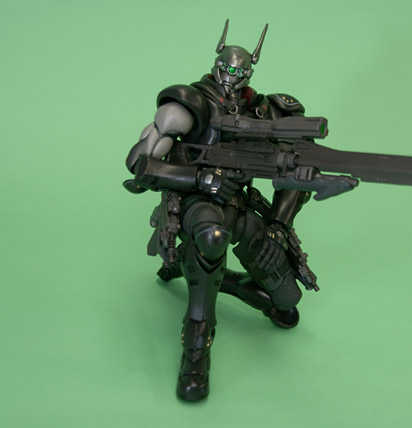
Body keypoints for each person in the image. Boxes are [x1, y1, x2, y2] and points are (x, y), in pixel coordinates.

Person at [124, 19, 314, 401]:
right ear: (216, 65)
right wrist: (199, 179)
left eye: (239, 72)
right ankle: (196, 346)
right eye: (227, 69)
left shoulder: (267, 112)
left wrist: (278, 226)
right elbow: (139, 165)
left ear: (250, 72)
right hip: (195, 201)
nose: (231, 77)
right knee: (212, 237)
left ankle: (230, 281)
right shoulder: (190, 103)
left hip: (238, 203)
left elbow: (299, 170)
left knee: (287, 302)